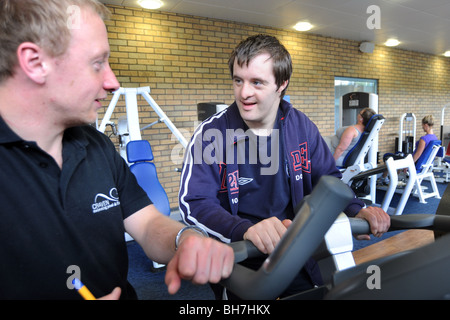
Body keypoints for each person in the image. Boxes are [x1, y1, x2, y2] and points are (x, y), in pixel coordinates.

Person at [0, 0, 234, 300]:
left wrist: (183, 238)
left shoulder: (95, 144)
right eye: (97, 64)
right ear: (34, 62)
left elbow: (148, 223)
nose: (113, 82)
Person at [178, 34, 390, 299]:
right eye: (238, 80)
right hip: (239, 255)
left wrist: (358, 209)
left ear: (281, 84)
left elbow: (328, 178)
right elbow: (194, 203)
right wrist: (243, 229)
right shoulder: (212, 134)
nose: (244, 93)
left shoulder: (301, 127)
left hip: (292, 249)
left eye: (257, 82)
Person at [379, 115, 438, 185]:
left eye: (422, 125)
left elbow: (418, 154)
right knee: (398, 154)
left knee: (387, 156)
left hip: (412, 161)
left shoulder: (424, 139)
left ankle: (384, 178)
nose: (422, 127)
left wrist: (408, 165)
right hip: (422, 163)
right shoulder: (435, 138)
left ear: (425, 125)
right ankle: (395, 178)